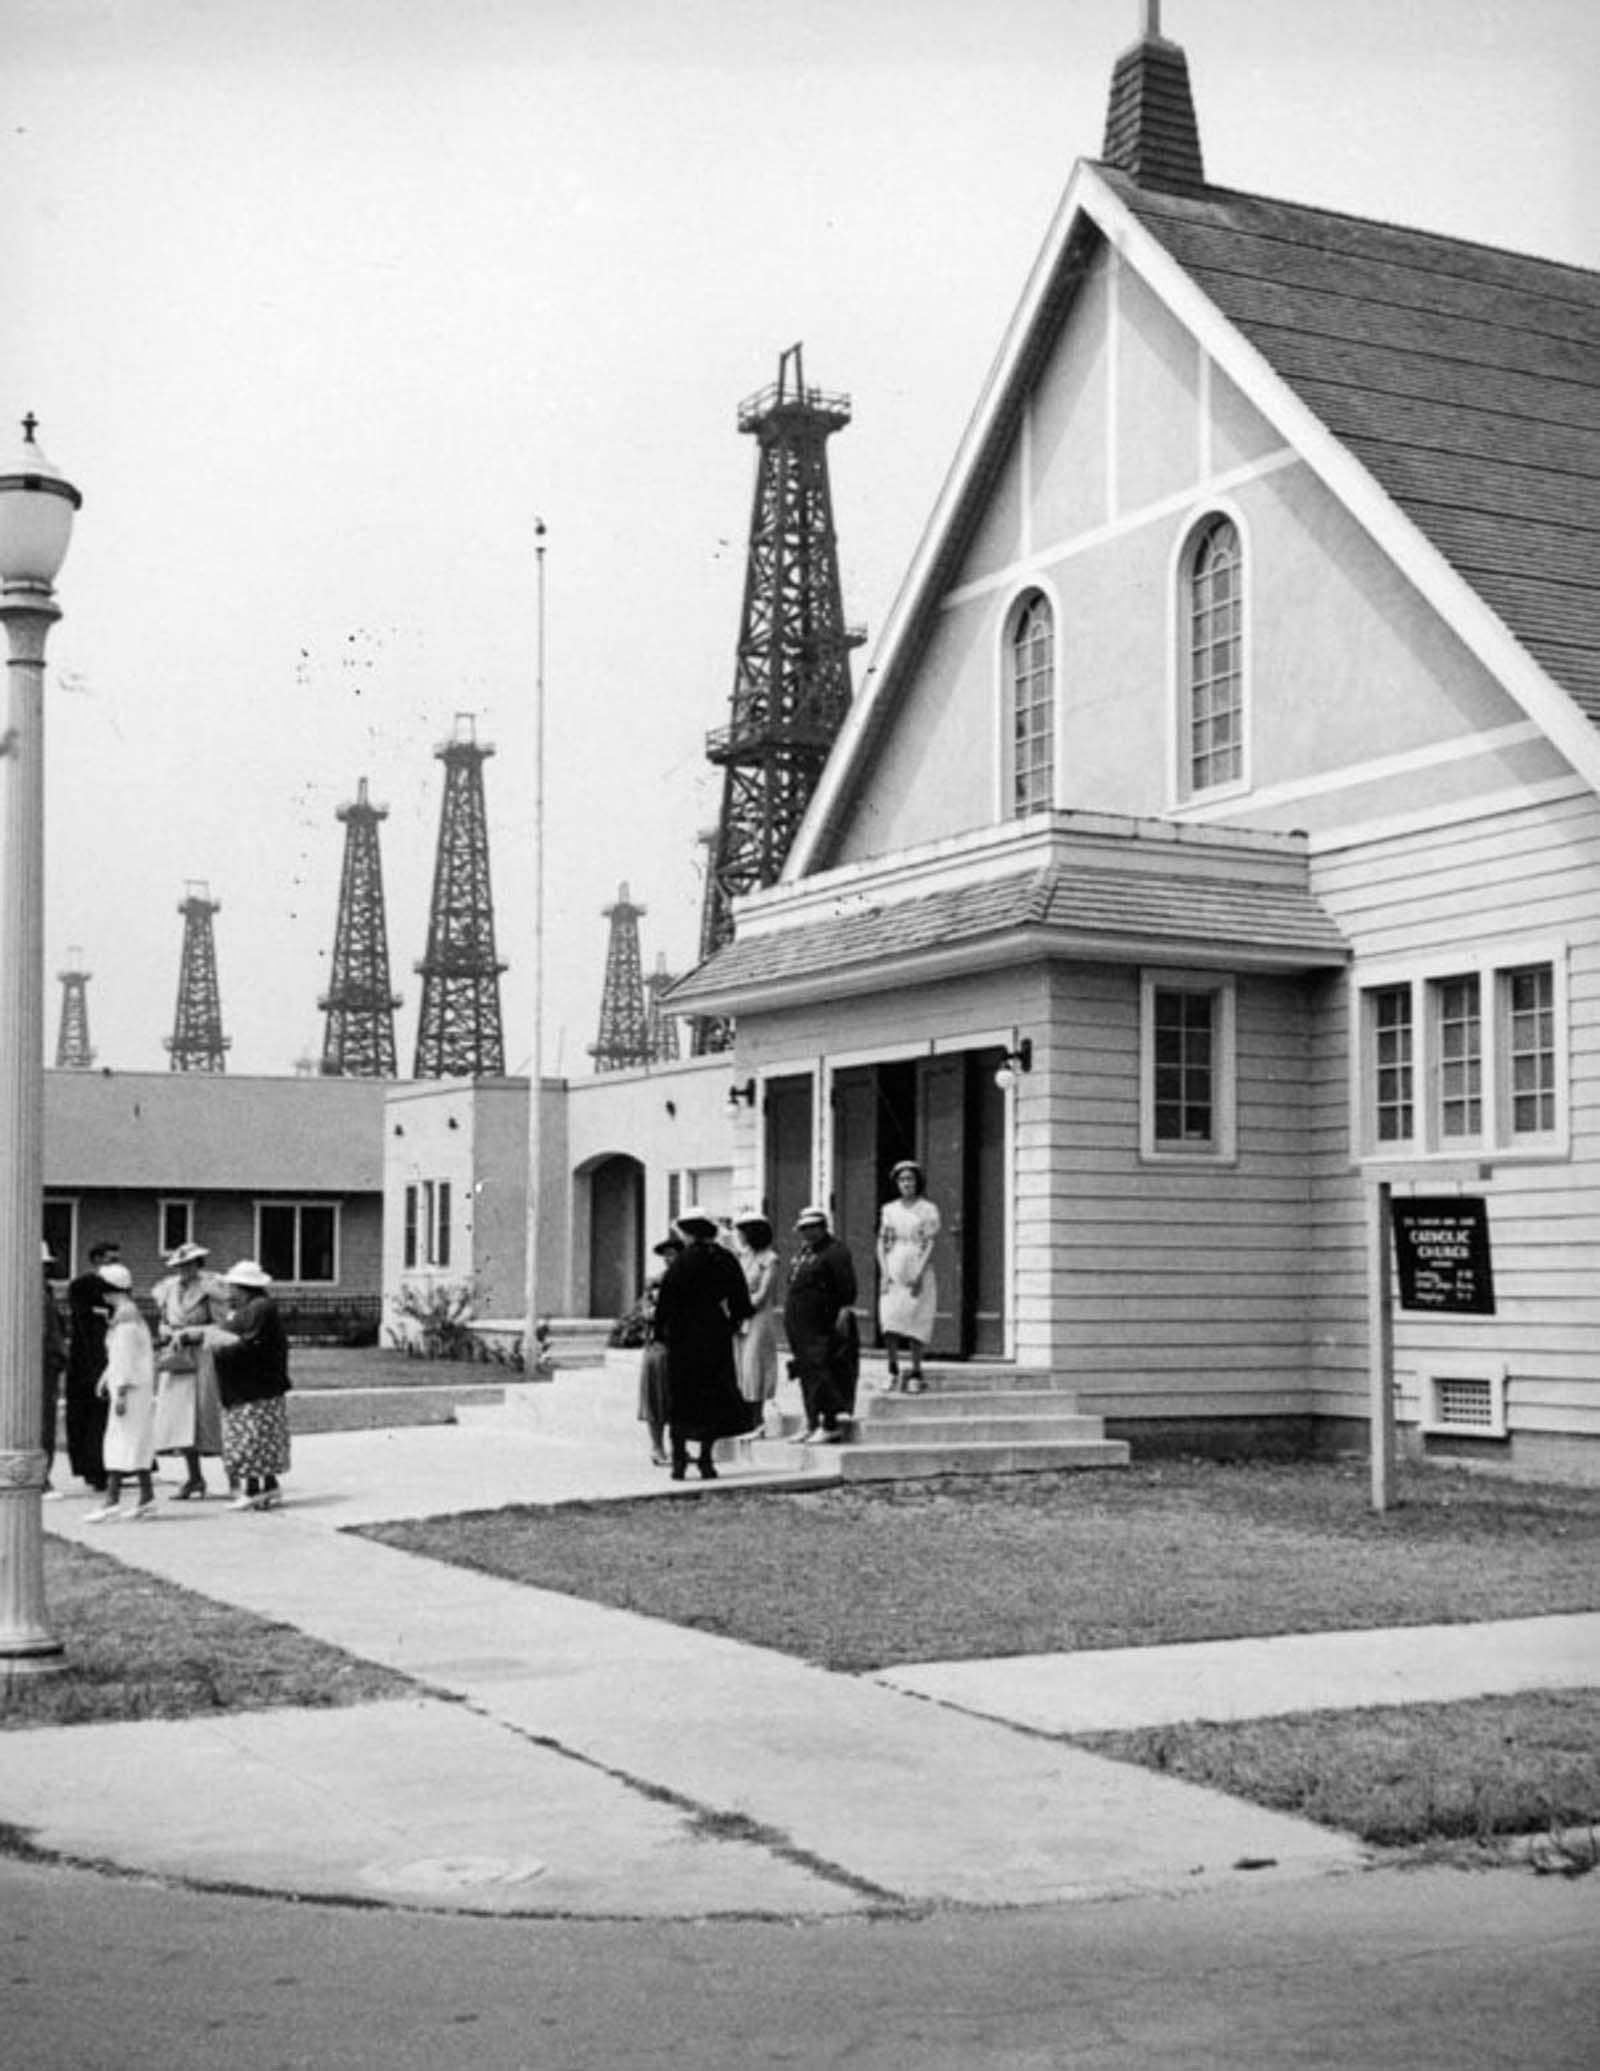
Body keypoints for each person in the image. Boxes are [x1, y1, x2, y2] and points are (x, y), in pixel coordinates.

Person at [652, 1210, 755, 1481]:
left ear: (689, 1233)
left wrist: (661, 1336)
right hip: (714, 1333)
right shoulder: (725, 1259)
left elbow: (665, 1304)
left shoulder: (681, 1262)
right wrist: (730, 1324)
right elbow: (742, 1302)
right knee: (712, 1397)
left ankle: (678, 1461)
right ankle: (707, 1460)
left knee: (682, 1396)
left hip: (683, 1335)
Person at [197, 1261, 292, 1512]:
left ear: (244, 1287)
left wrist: (219, 1342)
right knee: (261, 1440)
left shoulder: (258, 1309)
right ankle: (267, 1486)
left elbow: (248, 1343)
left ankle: (253, 1489)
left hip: (254, 1387)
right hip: (254, 1386)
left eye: (233, 1286)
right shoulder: (247, 1308)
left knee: (250, 1440)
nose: (229, 1290)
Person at [149, 1242, 228, 1499]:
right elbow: (163, 1320)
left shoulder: (210, 1290)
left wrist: (191, 1333)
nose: (184, 1269)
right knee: (179, 1420)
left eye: (189, 1264)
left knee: (208, 1415)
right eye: (180, 1265)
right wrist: (167, 1332)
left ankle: (235, 1479)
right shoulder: (169, 1290)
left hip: (202, 1356)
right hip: (177, 1358)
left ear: (198, 1265)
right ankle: (194, 1478)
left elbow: (221, 1327)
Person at [84, 1264, 158, 1523]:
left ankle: (112, 1499)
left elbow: (125, 1358)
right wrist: (107, 1378)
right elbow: (118, 1357)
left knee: (120, 1441)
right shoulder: (129, 1316)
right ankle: (146, 1497)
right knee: (134, 1441)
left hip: (130, 1389)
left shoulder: (126, 1321)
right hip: (132, 1386)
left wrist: (122, 1391)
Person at [782, 1206, 858, 1445]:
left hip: (822, 1320)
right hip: (800, 1321)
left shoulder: (835, 1252)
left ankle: (829, 1423)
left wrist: (840, 1314)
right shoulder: (805, 1252)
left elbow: (846, 1288)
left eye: (812, 1228)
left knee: (823, 1369)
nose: (807, 1233)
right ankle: (811, 1420)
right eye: (804, 1229)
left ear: (823, 1227)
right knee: (805, 1370)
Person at [877, 1159, 942, 1394]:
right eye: (902, 1180)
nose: (906, 1184)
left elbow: (929, 1243)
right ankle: (892, 1369)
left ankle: (916, 1372)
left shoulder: (927, 1210)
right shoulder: (890, 1210)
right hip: (895, 1264)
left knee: (917, 1320)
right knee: (890, 1319)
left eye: (910, 1179)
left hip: (918, 1265)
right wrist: (884, 1273)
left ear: (917, 1182)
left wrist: (919, 1273)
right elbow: (882, 1242)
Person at [64, 1239, 118, 1492]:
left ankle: (110, 1466)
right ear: (97, 1260)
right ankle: (92, 1467)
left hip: (110, 1355)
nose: (114, 1264)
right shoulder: (82, 1287)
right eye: (110, 1259)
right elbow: (84, 1325)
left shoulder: (116, 1286)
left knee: (106, 1418)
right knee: (88, 1417)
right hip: (88, 1361)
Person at [732, 1212, 781, 1432]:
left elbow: (763, 1294)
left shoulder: (769, 1259)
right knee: (740, 1365)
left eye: (742, 1231)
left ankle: (757, 1418)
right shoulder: (742, 1257)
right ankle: (743, 1418)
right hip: (739, 1318)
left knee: (754, 1365)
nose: (739, 1236)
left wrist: (742, 1304)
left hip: (758, 1318)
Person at [636, 1235, 683, 1467]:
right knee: (656, 1398)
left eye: (673, 1253)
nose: (669, 1258)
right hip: (659, 1345)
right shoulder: (656, 1283)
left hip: (682, 1346)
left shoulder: (688, 1281)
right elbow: (645, 1311)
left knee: (678, 1399)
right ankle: (656, 1446)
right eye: (666, 1254)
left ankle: (678, 1448)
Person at [40, 1243, 67, 1500]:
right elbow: (49, 1334)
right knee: (42, 1424)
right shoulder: (38, 1296)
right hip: (42, 1366)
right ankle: (41, 1478)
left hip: (44, 1364)